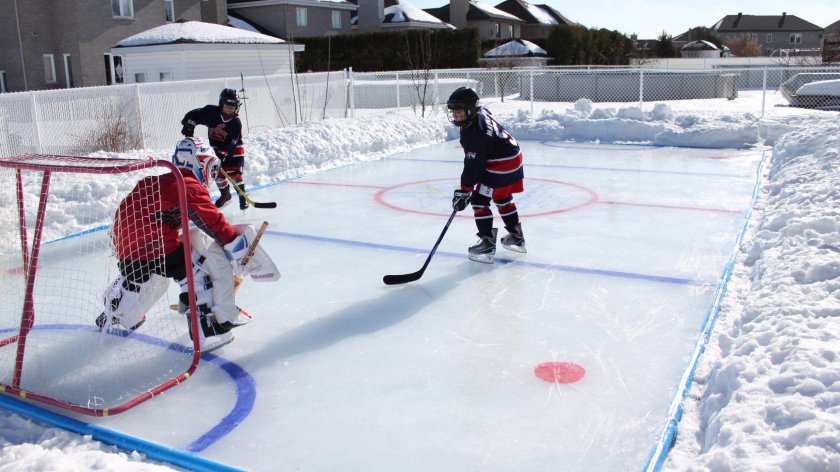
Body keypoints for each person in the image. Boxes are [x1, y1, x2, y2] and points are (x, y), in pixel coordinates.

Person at [98, 137, 261, 352]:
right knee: (199, 269)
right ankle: (209, 329)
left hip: (124, 245)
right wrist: (236, 245)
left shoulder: (159, 181)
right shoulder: (189, 184)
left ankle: (117, 313)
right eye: (211, 168)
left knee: (147, 277)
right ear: (199, 162)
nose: (211, 175)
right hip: (153, 245)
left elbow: (164, 216)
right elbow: (212, 221)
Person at [448, 87, 526, 264]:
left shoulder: (474, 133)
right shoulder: (479, 113)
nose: (456, 115)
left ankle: (487, 243)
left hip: (502, 163)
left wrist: (465, 191)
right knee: (502, 196)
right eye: (453, 112)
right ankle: (516, 236)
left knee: (479, 200)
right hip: (513, 156)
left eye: (459, 111)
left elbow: (474, 165)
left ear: (470, 109)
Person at [180, 88, 249, 210]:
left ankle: (243, 198)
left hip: (234, 150)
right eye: (227, 106)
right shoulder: (211, 112)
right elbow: (195, 114)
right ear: (221, 104)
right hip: (216, 149)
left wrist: (223, 153)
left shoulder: (235, 122)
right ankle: (225, 195)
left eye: (233, 107)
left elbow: (233, 141)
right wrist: (189, 124)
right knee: (217, 173)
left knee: (234, 174)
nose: (230, 109)